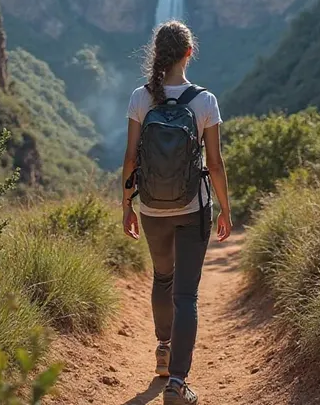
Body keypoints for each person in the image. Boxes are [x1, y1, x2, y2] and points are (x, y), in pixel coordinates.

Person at [122, 20, 232, 405]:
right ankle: (178, 384)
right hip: (192, 207)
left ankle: (163, 349)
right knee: (186, 295)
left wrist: (127, 206)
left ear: (158, 55)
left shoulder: (140, 97)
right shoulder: (205, 101)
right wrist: (225, 210)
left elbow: (131, 158)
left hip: (151, 207)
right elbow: (215, 164)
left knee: (163, 278)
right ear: (189, 53)